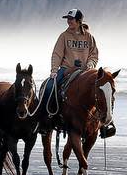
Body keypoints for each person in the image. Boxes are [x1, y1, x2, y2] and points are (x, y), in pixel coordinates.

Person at [43, 8, 114, 138]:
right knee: (48, 87)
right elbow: (57, 54)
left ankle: (107, 123)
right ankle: (46, 119)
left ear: (79, 21)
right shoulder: (64, 36)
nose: (69, 21)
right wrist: (54, 70)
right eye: (68, 19)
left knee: (105, 89)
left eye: (71, 19)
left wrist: (90, 65)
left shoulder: (89, 37)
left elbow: (94, 54)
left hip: (86, 71)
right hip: (66, 69)